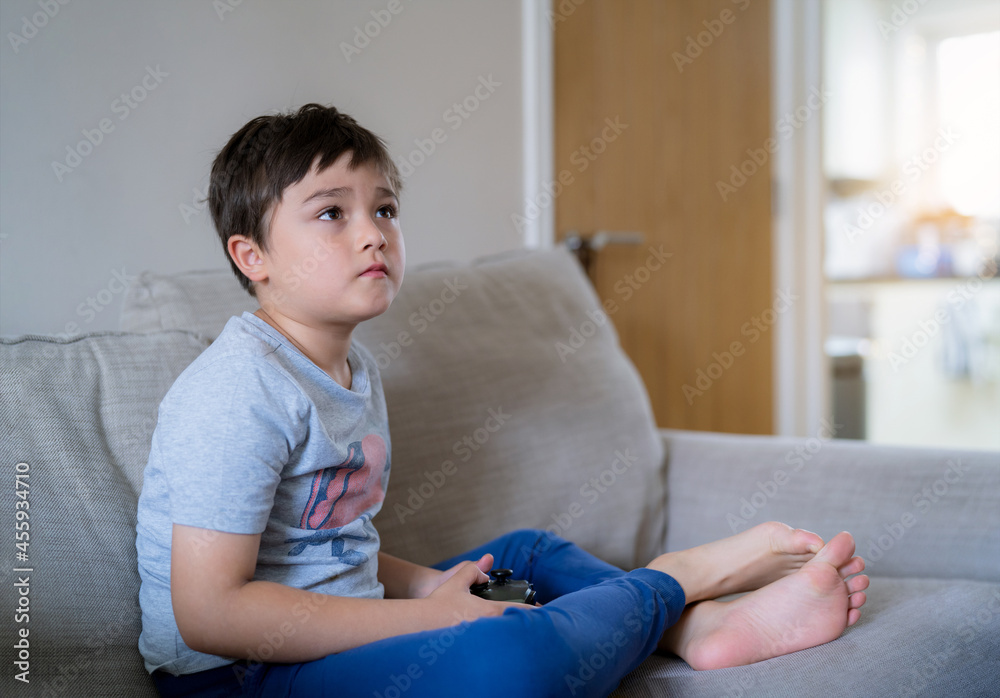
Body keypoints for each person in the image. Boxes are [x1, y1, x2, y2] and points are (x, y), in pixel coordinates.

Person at [134, 103, 869, 698]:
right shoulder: (236, 391)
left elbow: (329, 548)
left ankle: (691, 632)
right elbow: (211, 614)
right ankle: (686, 580)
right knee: (506, 657)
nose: (374, 235)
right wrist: (425, 621)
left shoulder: (350, 371)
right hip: (244, 676)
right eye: (332, 214)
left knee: (523, 556)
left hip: (343, 626)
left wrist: (430, 589)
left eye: (384, 209)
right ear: (251, 256)